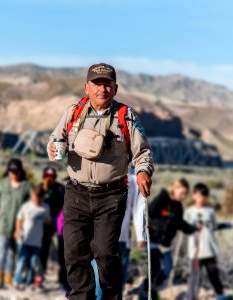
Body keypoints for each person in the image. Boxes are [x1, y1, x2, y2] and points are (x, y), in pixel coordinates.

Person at [47, 63, 154, 299]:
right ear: (87, 87)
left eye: (107, 84)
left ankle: (110, 296)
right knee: (75, 254)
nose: (102, 89)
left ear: (115, 88)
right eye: (97, 84)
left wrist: (143, 171)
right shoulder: (73, 113)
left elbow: (142, 152)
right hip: (76, 194)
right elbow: (55, 141)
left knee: (105, 253)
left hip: (111, 196)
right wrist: (56, 149)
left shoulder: (126, 116)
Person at [92, 168, 146, 300]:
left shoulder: (133, 178)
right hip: (97, 235)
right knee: (97, 277)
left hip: (122, 237)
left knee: (118, 280)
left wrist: (141, 235)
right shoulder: (102, 169)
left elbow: (139, 208)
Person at [140, 178, 198, 300]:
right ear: (174, 189)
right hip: (154, 240)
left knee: (168, 268)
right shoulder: (162, 198)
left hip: (166, 244)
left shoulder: (178, 206)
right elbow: (149, 212)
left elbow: (180, 223)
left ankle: (153, 289)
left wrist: (193, 229)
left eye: (185, 194)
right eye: (182, 193)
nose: (183, 196)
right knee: (154, 268)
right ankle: (144, 293)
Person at [184, 183, 233, 300]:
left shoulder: (210, 211)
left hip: (210, 249)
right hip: (195, 251)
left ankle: (220, 295)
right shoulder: (189, 212)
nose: (201, 199)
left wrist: (230, 224)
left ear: (207, 197)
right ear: (194, 195)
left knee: (213, 274)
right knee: (195, 277)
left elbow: (215, 226)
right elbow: (183, 227)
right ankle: (190, 297)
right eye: (199, 196)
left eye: (204, 196)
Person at [0, 158, 33, 288]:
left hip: (17, 226)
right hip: (1, 224)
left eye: (16, 171)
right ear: (8, 171)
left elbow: (32, 205)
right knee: (1, 250)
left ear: (21, 171)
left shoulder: (26, 187)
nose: (14, 173)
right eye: (11, 170)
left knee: (12, 252)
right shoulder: (1, 184)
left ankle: (8, 278)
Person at [13, 185, 50, 290]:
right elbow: (19, 219)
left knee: (33, 262)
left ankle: (29, 281)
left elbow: (47, 220)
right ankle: (17, 281)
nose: (35, 200)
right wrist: (18, 230)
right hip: (24, 240)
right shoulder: (26, 206)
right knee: (21, 261)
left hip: (37, 241)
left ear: (42, 197)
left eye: (37, 198)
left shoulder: (45, 207)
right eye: (33, 197)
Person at [38, 167, 65, 278]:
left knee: (62, 249)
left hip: (59, 221)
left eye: (52, 177)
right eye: (46, 177)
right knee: (43, 248)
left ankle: (62, 275)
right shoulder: (39, 189)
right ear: (43, 177)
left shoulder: (60, 189)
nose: (49, 179)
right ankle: (41, 272)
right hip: (44, 222)